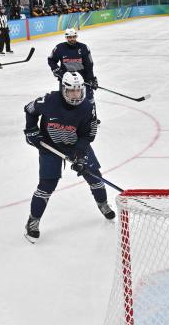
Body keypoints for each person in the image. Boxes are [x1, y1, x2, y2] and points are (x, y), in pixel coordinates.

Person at [23, 72, 115, 243]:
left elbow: (89, 134)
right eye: (71, 91)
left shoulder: (87, 107)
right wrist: (31, 131)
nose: (75, 94)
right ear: (63, 88)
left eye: (79, 91)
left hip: (76, 146)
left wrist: (79, 155)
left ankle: (102, 203)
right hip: (49, 146)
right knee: (46, 185)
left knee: (95, 176)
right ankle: (33, 221)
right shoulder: (49, 100)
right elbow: (29, 109)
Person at [47, 28, 97, 101]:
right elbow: (51, 60)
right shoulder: (59, 48)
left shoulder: (84, 47)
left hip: (82, 80)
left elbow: (89, 65)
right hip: (66, 81)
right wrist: (56, 69)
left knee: (88, 101)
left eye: (74, 37)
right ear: (66, 38)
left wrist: (91, 78)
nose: (72, 39)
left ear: (76, 37)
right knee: (64, 102)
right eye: (70, 37)